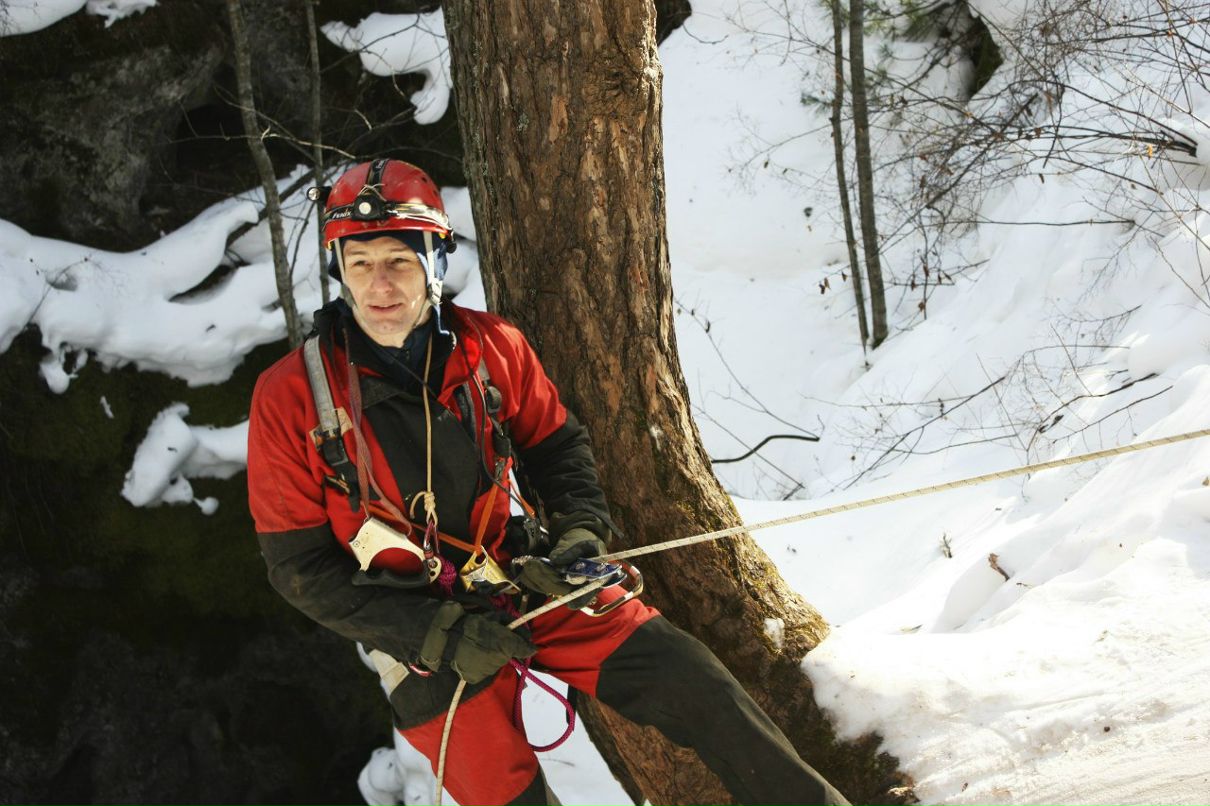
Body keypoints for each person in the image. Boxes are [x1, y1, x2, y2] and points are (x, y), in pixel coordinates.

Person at [246, 159, 849, 806]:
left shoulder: (492, 347)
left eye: (398, 258)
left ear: (434, 262)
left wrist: (580, 531)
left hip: (525, 577)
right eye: (360, 263)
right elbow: (301, 568)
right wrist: (435, 634)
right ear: (339, 269)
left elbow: (557, 447)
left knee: (697, 687)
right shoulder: (291, 398)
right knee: (506, 795)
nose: (379, 284)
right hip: (415, 629)